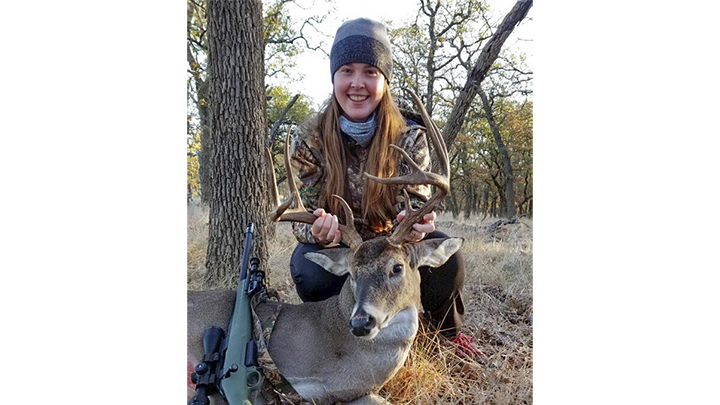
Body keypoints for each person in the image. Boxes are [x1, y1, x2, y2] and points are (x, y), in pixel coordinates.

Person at [287, 17, 479, 354]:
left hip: (395, 246)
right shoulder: (311, 141)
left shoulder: (410, 134)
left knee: (449, 259)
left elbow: (419, 200)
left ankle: (445, 334)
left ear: (384, 81)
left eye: (370, 72)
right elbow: (300, 215)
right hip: (347, 249)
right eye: (347, 70)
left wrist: (417, 221)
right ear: (334, 77)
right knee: (307, 268)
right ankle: (342, 328)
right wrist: (317, 231)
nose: (357, 83)